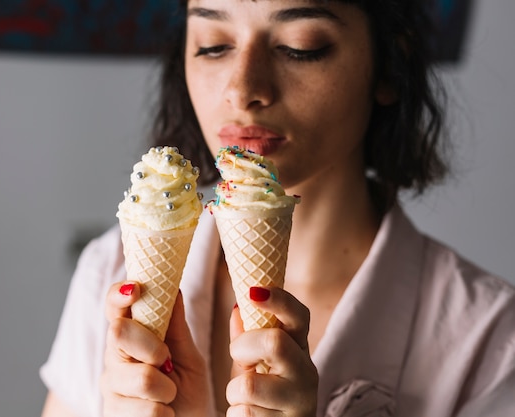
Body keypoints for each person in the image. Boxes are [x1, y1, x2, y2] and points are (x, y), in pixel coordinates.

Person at [40, 1, 515, 416]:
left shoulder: (488, 341)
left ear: (389, 65)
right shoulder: (110, 275)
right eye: (212, 44)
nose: (243, 88)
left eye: (300, 46)